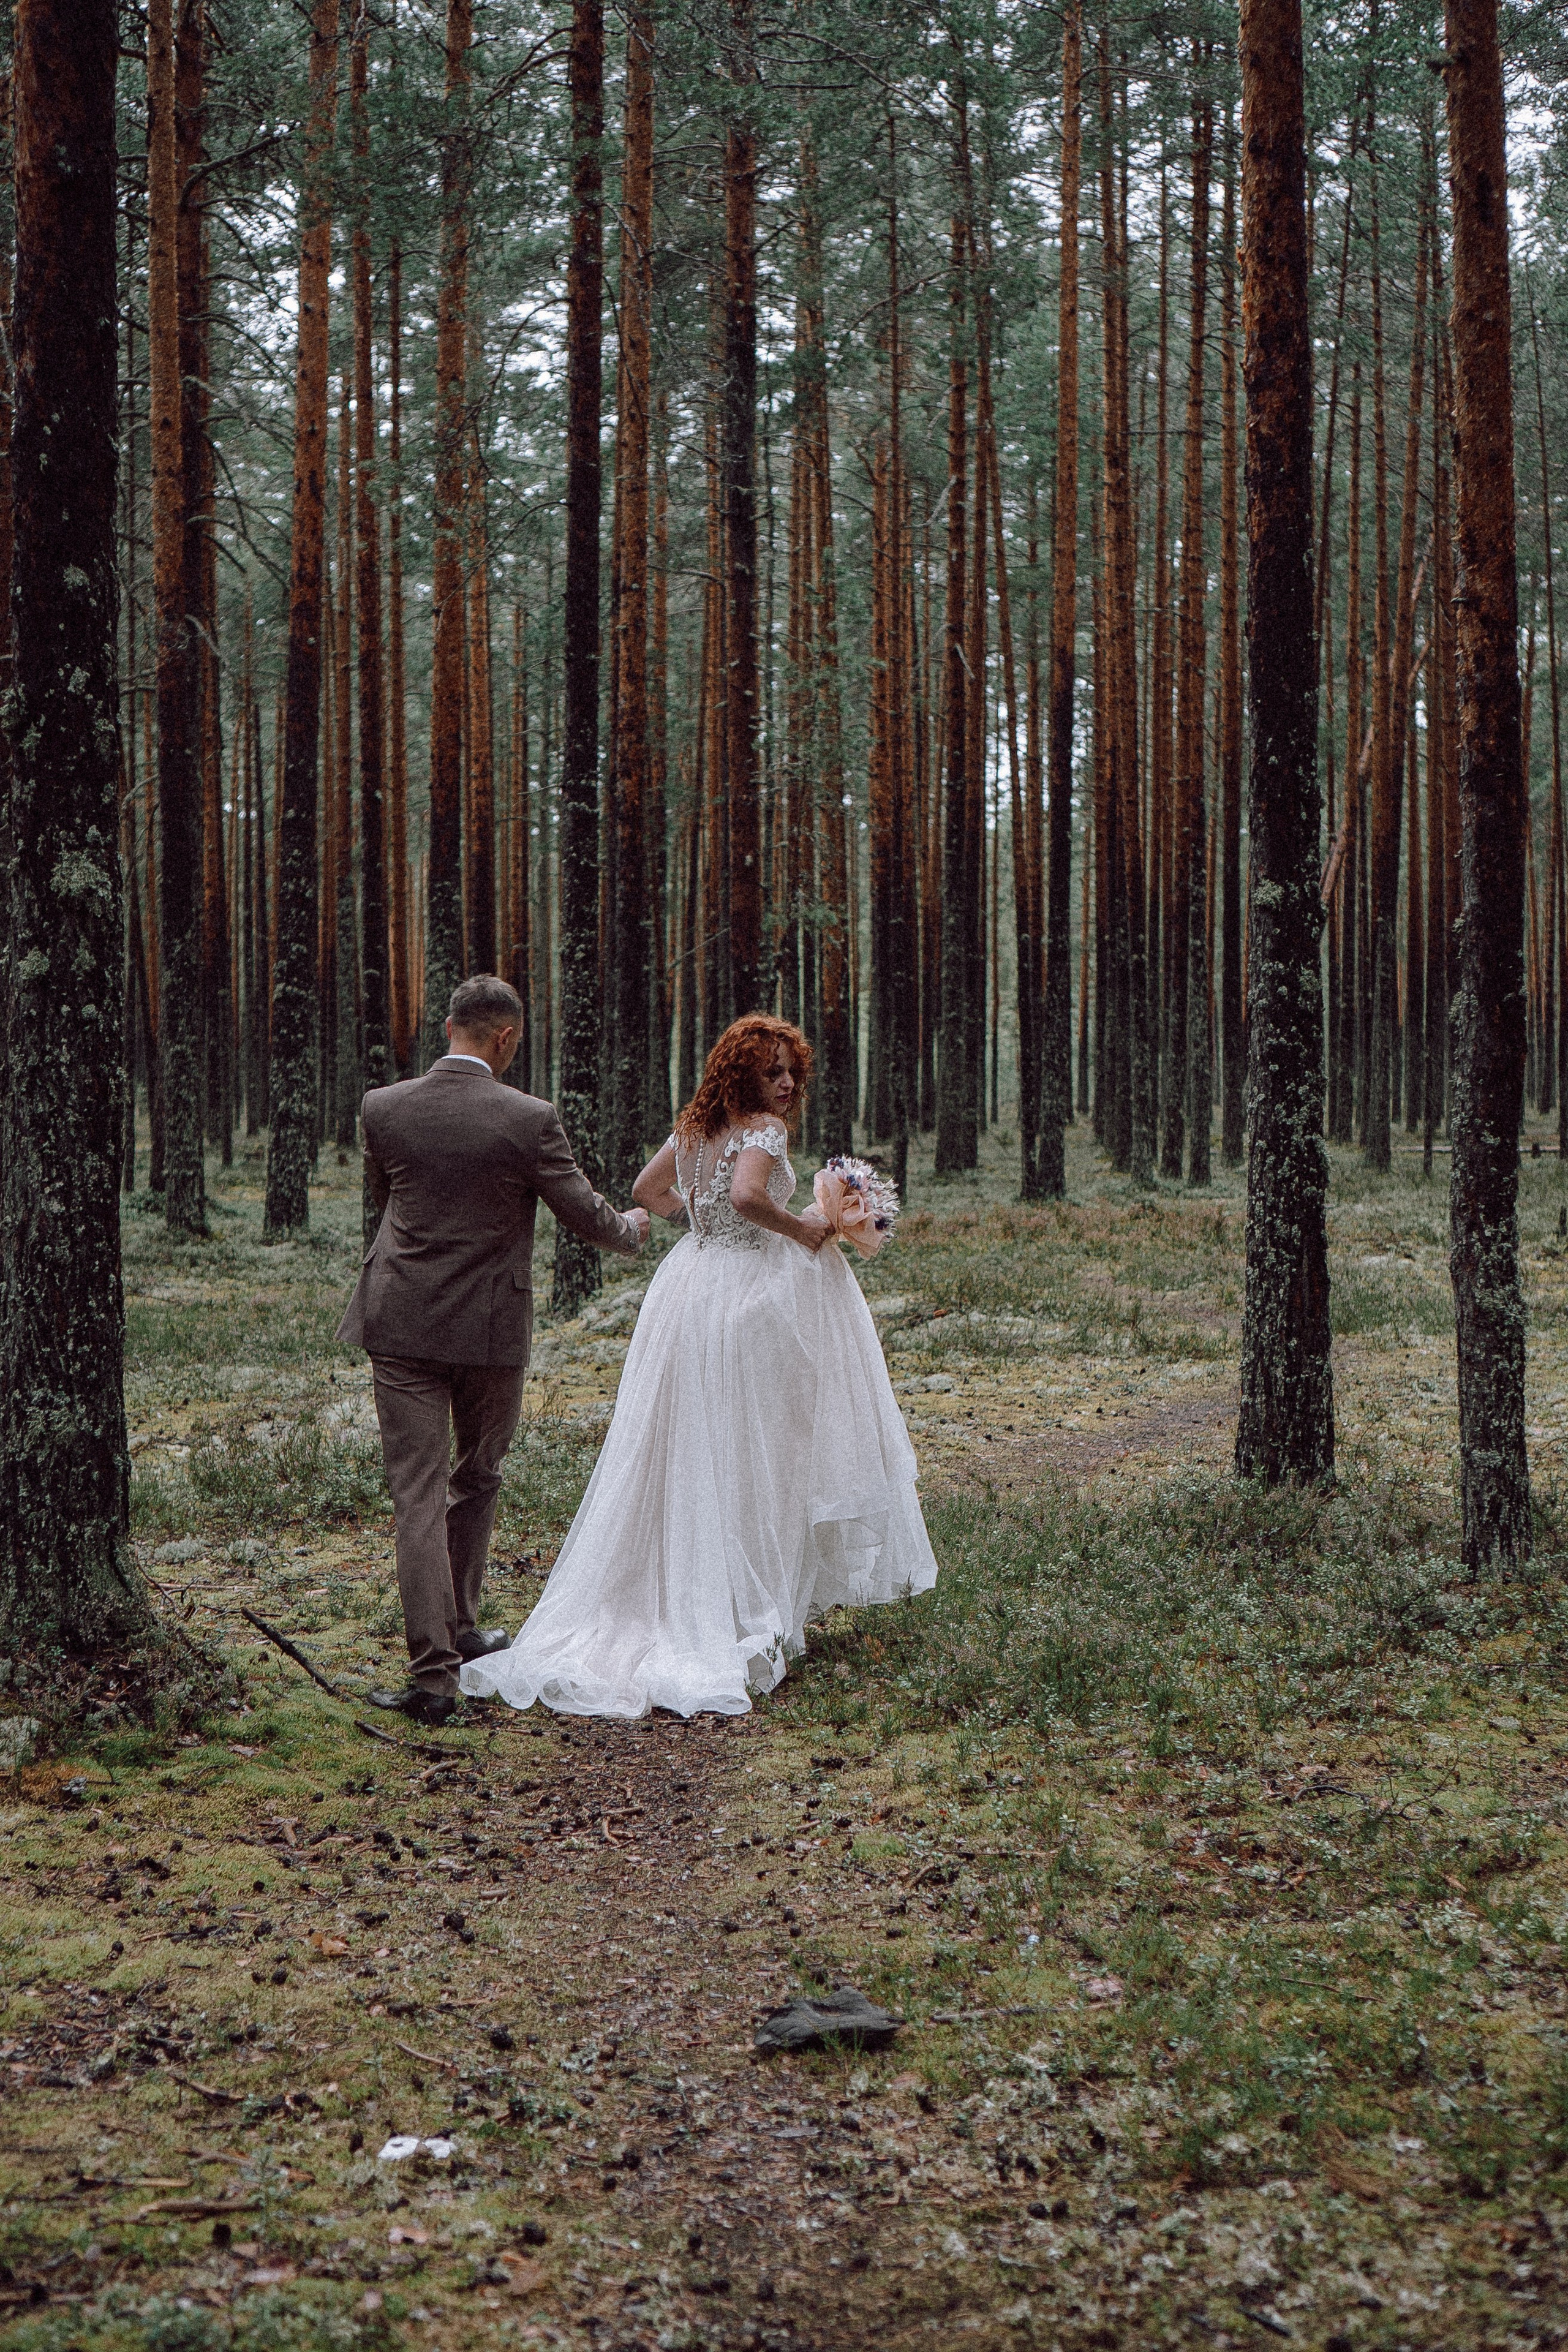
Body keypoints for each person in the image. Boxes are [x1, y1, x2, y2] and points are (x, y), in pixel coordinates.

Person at [461, 1013, 938, 1722]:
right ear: (742, 1072)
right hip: (747, 1295)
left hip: (691, 1287)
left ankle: (708, 1593)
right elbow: (747, 1197)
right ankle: (743, 1609)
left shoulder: (694, 1127)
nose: (783, 1084)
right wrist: (800, 1227)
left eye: (789, 1072)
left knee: (688, 1445)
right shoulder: (764, 1132)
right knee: (755, 1449)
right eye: (770, 1071)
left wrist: (703, 1218)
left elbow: (648, 1190)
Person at [337, 974, 649, 1725]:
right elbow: (584, 1213)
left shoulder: (383, 1108)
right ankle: (460, 1633)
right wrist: (634, 1230)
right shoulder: (528, 1119)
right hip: (487, 1331)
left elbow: (384, 1204)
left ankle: (437, 1670)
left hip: (401, 1321)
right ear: (504, 1037)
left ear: (449, 1027)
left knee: (417, 1493)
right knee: (476, 1476)